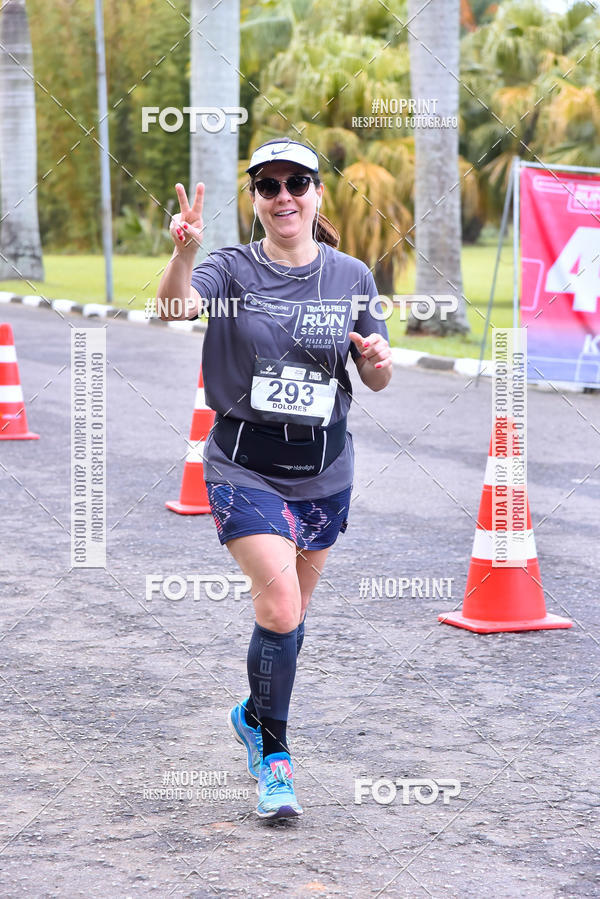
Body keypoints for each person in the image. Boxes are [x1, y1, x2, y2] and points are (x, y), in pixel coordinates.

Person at [156, 138, 392, 819]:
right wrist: (183, 252)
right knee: (281, 607)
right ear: (255, 199)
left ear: (318, 193)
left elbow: (376, 376)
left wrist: (378, 356)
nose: (283, 195)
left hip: (323, 469)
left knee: (288, 623)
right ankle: (276, 758)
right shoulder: (229, 268)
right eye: (268, 185)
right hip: (243, 464)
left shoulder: (351, 276)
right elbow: (175, 311)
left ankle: (252, 711)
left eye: (297, 182)